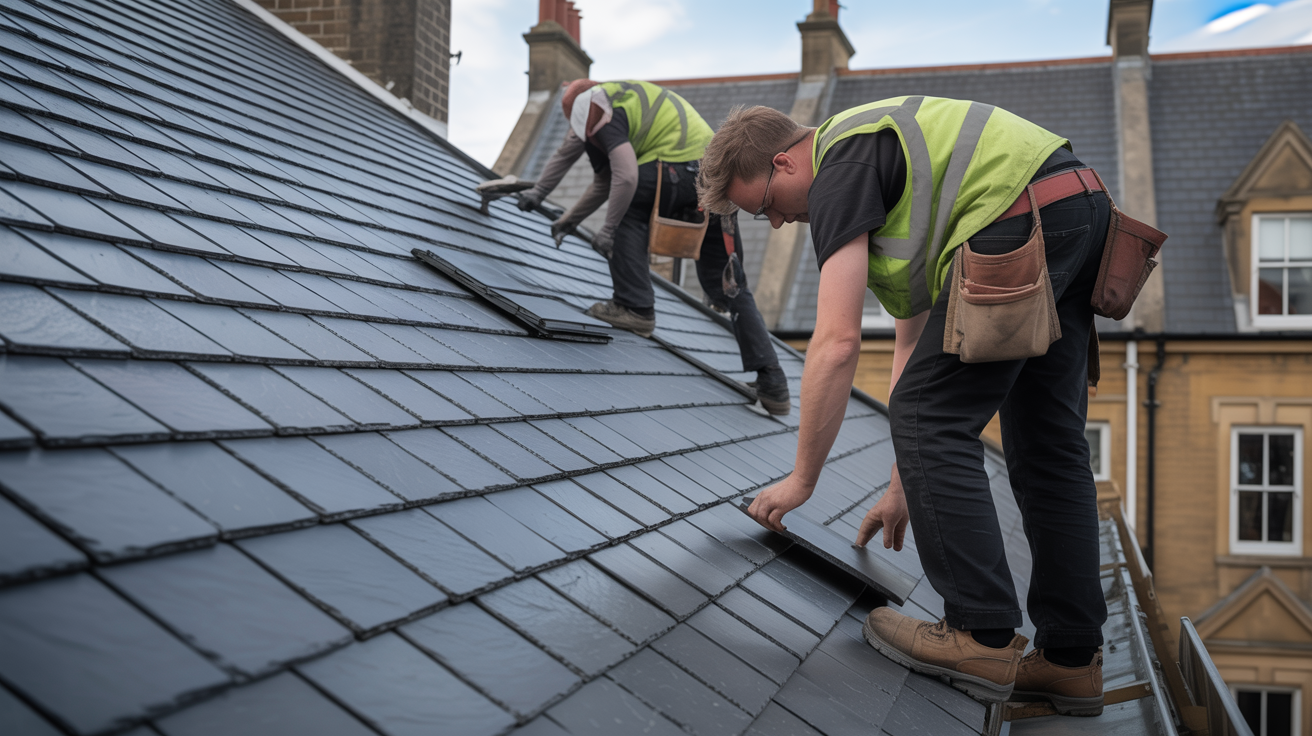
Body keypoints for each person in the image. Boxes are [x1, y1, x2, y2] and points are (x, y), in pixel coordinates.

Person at [697, 97, 1111, 714]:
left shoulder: (840, 163)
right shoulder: (901, 180)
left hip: (1023, 215)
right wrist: (903, 483)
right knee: (1047, 445)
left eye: (763, 206)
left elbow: (836, 344)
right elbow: (915, 351)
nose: (779, 224)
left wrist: (802, 481)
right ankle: (1070, 660)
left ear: (784, 163)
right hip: (1078, 206)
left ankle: (980, 634)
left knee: (932, 415)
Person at [516, 79, 790, 415]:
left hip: (677, 168)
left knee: (626, 207)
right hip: (717, 179)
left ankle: (635, 308)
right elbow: (583, 164)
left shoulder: (598, 107)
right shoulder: (614, 105)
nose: (576, 133)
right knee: (729, 284)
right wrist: (556, 209)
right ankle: (773, 383)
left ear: (577, 110)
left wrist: (608, 229)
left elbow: (626, 178)